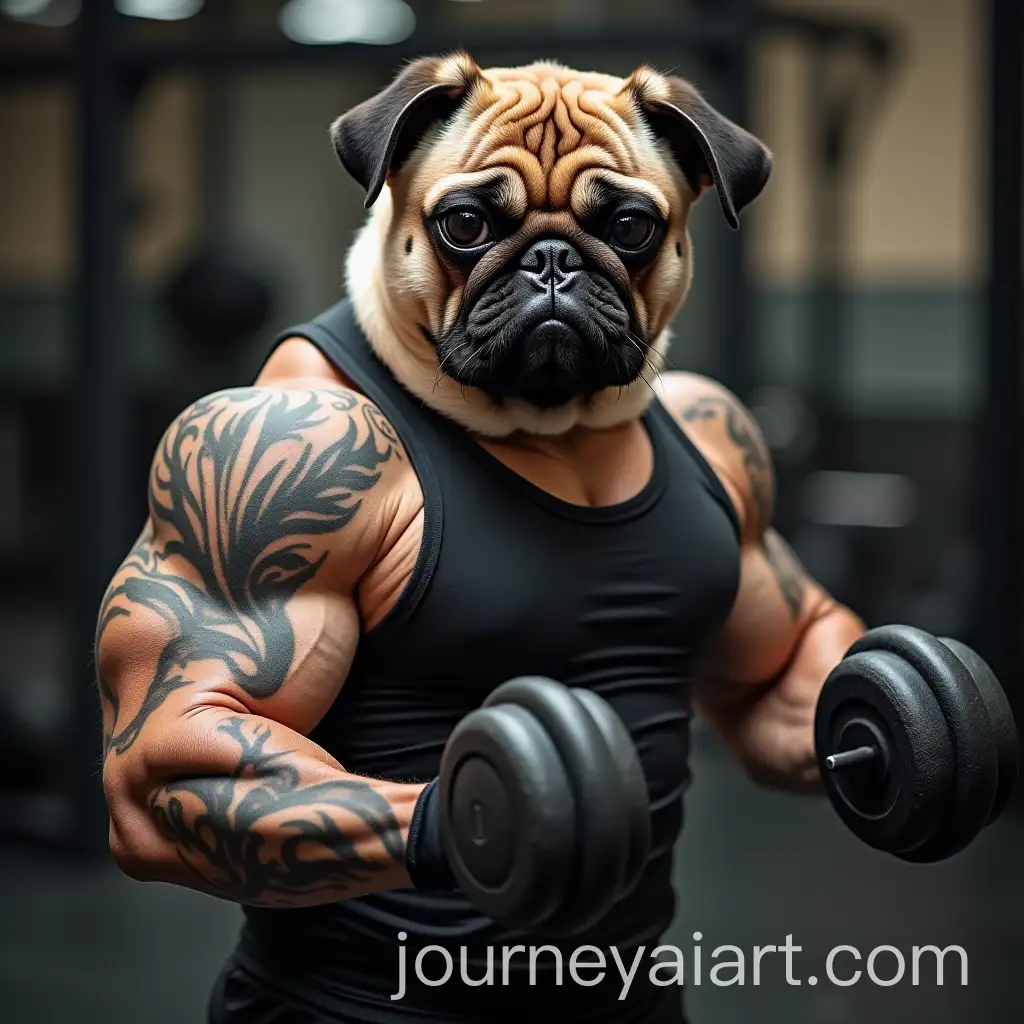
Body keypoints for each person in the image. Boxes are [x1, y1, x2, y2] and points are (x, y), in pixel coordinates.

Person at [97, 56, 865, 1023]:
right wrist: (448, 827)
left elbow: (779, 666)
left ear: (690, 215)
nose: (551, 271)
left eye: (625, 230)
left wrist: (883, 724)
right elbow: (157, 793)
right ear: (393, 200)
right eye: (470, 227)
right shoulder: (300, 447)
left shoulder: (704, 434)